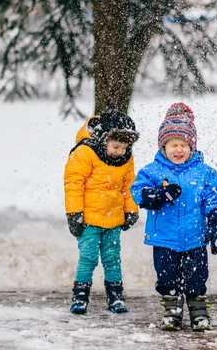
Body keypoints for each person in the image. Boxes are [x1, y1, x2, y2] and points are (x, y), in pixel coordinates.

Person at [131, 103, 217, 331]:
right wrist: (158, 194)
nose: (179, 150)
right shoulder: (152, 171)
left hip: (195, 238)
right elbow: (138, 193)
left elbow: (214, 198)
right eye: (173, 144)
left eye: (184, 145)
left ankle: (198, 311)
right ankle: (172, 311)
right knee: (167, 278)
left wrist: (215, 223)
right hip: (164, 239)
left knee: (197, 277)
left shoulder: (204, 172)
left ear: (191, 147)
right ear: (163, 146)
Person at [64, 110, 140, 315]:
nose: (120, 152)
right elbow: (73, 184)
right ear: (104, 138)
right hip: (88, 220)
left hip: (113, 219)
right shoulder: (85, 153)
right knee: (88, 258)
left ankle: (115, 296)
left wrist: (130, 210)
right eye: (116, 147)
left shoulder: (126, 159)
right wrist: (74, 213)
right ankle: (80, 296)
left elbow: (129, 185)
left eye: (124, 148)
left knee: (112, 258)